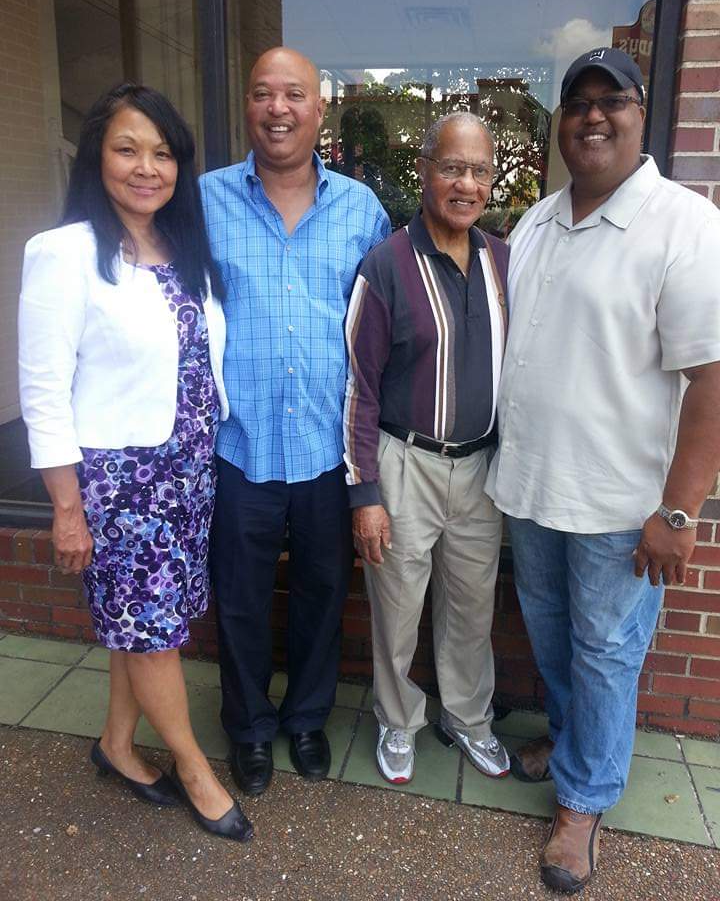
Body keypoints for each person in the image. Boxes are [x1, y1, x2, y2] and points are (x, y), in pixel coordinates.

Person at [485, 47, 720, 893]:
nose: (592, 116)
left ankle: (583, 803)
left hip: (622, 508)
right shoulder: (538, 222)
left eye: (610, 101)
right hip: (532, 488)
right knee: (555, 642)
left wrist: (680, 512)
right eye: (577, 102)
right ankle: (574, 745)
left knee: (606, 654)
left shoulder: (683, 225)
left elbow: (712, 380)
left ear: (639, 113)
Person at [18, 83, 252, 843]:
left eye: (162, 153)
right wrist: (66, 509)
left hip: (187, 472)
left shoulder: (183, 251)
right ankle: (193, 767)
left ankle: (117, 745)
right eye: (127, 150)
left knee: (144, 621)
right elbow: (43, 389)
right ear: (97, 157)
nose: (147, 168)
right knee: (152, 632)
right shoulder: (63, 253)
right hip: (120, 482)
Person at [200, 48, 391, 796]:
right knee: (240, 599)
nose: (277, 109)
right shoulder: (204, 200)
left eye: (294, 95)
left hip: (324, 447)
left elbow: (378, 330)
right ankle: (249, 729)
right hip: (238, 444)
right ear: (247, 106)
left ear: (319, 108)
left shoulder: (361, 209)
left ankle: (307, 719)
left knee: (321, 594)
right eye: (262, 94)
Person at [343, 112, 511, 784]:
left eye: (479, 171)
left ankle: (467, 718)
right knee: (397, 606)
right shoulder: (386, 265)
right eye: (452, 168)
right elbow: (359, 388)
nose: (466, 184)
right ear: (424, 171)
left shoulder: (503, 260)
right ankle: (397, 719)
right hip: (404, 464)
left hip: (480, 469)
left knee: (472, 605)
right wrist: (364, 493)